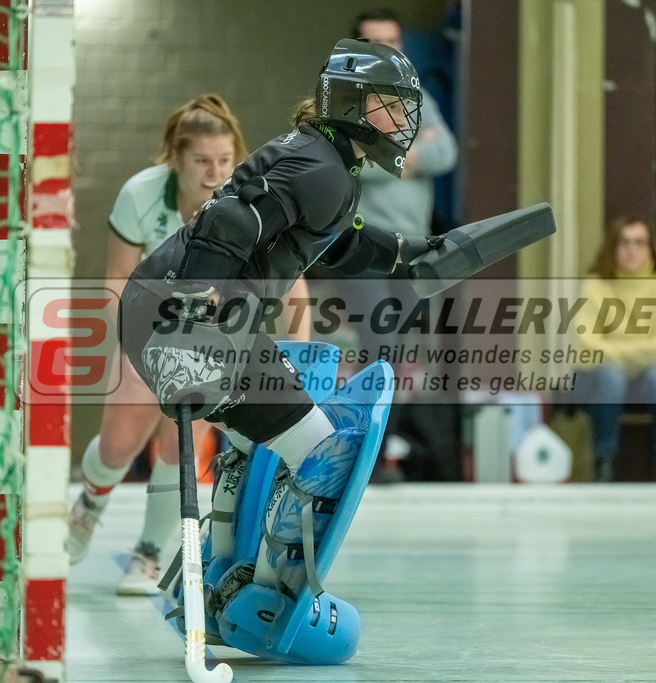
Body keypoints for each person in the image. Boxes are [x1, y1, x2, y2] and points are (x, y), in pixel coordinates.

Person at [117, 39, 442, 663]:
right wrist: (195, 306)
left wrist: (406, 251)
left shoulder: (318, 161)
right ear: (348, 104)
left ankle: (215, 578)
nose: (397, 122)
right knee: (326, 455)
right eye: (384, 107)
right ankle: (257, 595)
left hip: (165, 315)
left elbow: (337, 240)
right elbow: (232, 222)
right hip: (186, 323)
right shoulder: (323, 170)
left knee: (247, 437)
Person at [66, 95, 253, 596]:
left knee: (183, 439)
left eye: (224, 160)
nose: (215, 172)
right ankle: (90, 500)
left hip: (214, 338)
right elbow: (116, 278)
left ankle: (147, 554)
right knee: (118, 444)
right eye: (202, 161)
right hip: (145, 324)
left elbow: (293, 287)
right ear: (175, 157)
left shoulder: (249, 203)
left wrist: (298, 352)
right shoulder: (140, 194)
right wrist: (137, 347)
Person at [348, 7, 459, 482]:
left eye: (393, 42)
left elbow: (446, 151)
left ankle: (386, 452)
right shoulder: (342, 102)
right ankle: (368, 460)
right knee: (382, 343)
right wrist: (408, 152)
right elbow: (348, 158)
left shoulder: (418, 99)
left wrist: (387, 148)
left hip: (412, 249)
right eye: (376, 43)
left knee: (400, 353)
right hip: (364, 246)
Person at [573, 217, 656, 482]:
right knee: (610, 376)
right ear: (612, 249)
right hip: (596, 377)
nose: (632, 250)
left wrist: (614, 348)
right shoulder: (594, 285)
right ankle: (604, 465)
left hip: (648, 377)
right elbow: (584, 345)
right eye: (624, 243)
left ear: (651, 249)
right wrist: (641, 351)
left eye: (639, 243)